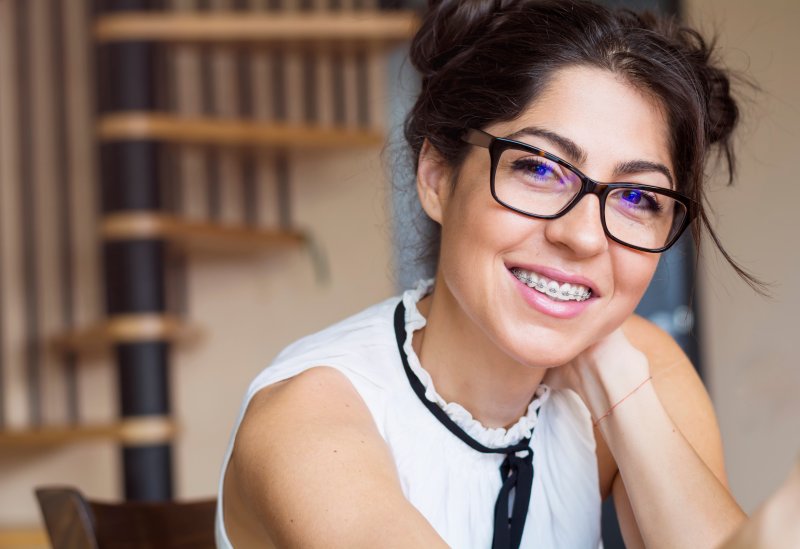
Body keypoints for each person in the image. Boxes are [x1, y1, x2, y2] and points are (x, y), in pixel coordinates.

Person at [216, 0, 758, 547]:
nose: (584, 236)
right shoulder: (309, 421)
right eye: (539, 168)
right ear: (436, 178)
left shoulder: (640, 366)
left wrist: (617, 378)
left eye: (638, 196)